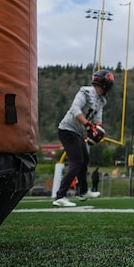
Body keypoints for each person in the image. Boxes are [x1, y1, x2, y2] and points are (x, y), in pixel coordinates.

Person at [53, 68, 113, 207]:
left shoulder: (101, 101)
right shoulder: (85, 92)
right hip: (67, 130)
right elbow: (75, 110)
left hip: (78, 132)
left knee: (84, 160)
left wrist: (97, 129)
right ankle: (59, 196)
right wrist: (87, 125)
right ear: (105, 84)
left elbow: (98, 119)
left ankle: (83, 191)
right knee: (77, 162)